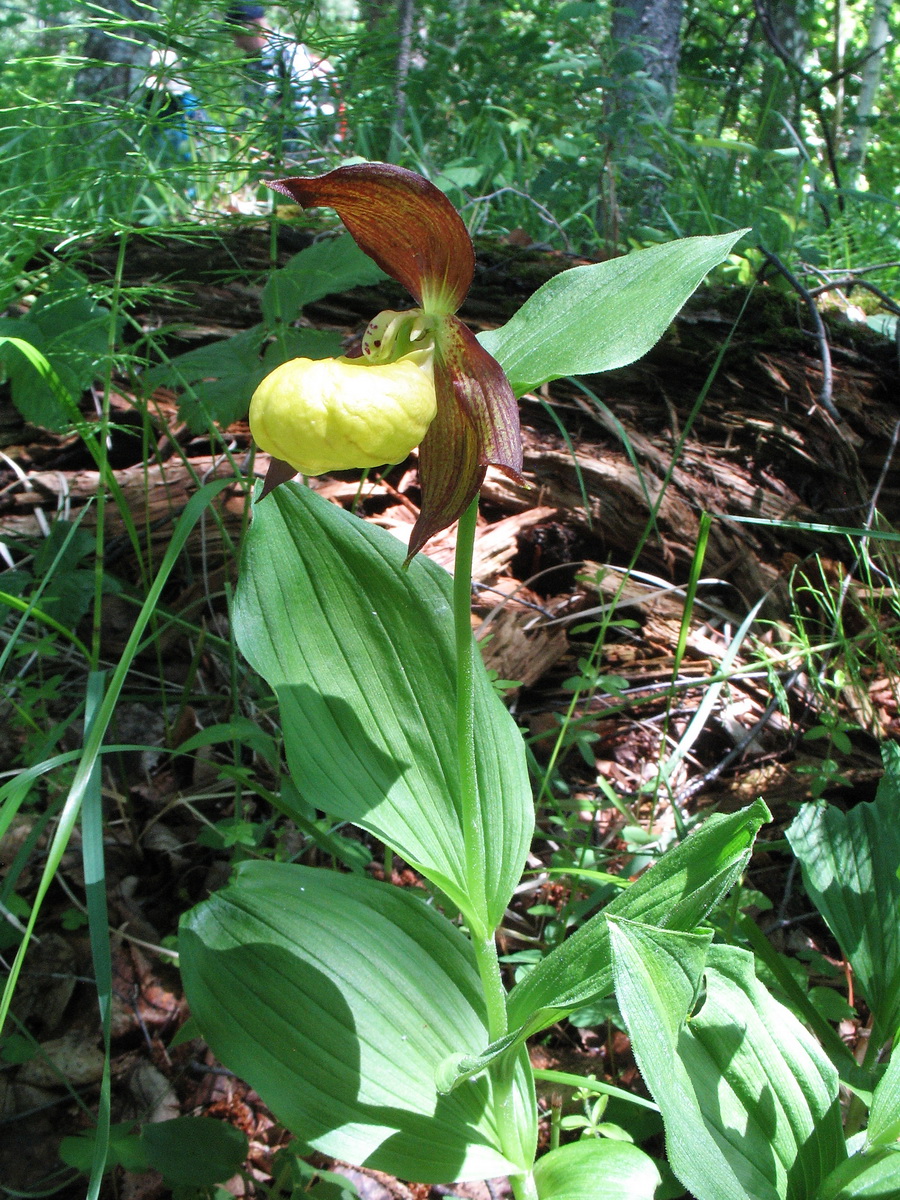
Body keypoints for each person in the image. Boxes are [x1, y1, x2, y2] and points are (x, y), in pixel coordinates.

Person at [225, 3, 343, 155]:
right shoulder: (250, 62)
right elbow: (251, 107)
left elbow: (301, 95)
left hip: (298, 143)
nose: (237, 43)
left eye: (238, 35)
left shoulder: (287, 49)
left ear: (253, 26)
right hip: (267, 146)